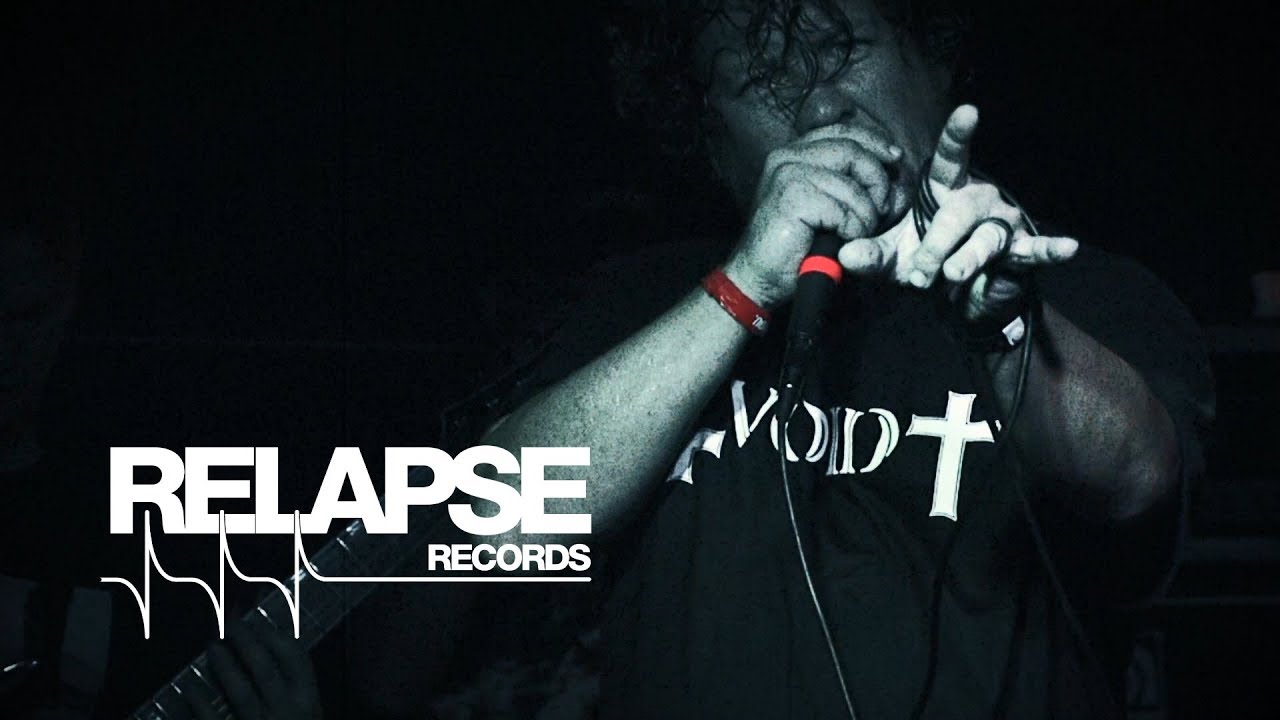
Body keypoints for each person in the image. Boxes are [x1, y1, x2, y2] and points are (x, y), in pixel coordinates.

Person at [474, 0, 1216, 718]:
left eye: (844, 52)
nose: (822, 107)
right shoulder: (638, 299)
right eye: (762, 80)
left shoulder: (1074, 282)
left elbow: (1140, 480)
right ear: (713, 142)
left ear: (934, 62)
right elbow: (495, 516)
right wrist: (743, 286)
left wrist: (1006, 326)